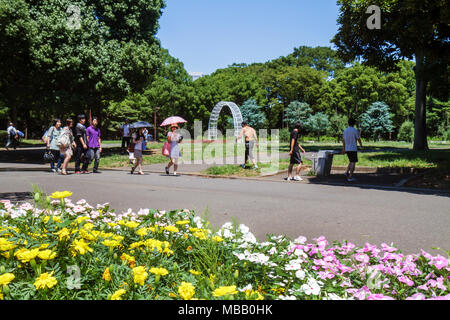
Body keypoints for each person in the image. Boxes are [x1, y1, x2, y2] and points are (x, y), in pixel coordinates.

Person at [342, 118, 363, 182]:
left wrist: (344, 148)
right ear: (354, 124)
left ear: (348, 123)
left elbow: (343, 140)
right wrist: (361, 146)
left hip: (347, 149)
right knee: (353, 162)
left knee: (351, 161)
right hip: (353, 148)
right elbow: (358, 139)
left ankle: (346, 172)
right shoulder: (355, 130)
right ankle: (350, 177)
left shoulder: (345, 130)